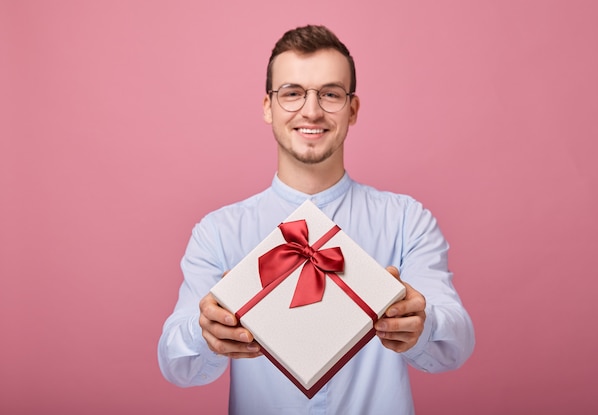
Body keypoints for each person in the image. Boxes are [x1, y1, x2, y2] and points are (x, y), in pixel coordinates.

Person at [158, 24, 475, 414]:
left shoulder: (407, 220)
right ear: (267, 106)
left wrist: (422, 324)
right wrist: (204, 332)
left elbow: (455, 345)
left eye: (330, 94)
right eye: (292, 93)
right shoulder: (218, 233)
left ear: (352, 109)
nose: (311, 110)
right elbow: (176, 363)